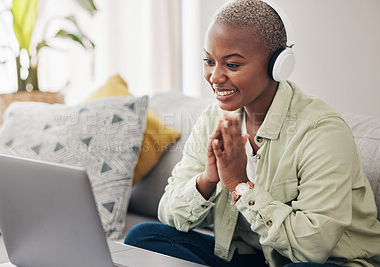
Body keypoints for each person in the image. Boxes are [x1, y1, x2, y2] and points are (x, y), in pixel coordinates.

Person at [125, 0, 380, 266]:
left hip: (324, 262)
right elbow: (169, 213)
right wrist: (208, 179)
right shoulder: (214, 118)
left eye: (232, 65)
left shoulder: (322, 131)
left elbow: (312, 247)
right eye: (208, 61)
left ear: (277, 66)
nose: (214, 77)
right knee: (145, 238)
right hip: (251, 257)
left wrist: (239, 185)